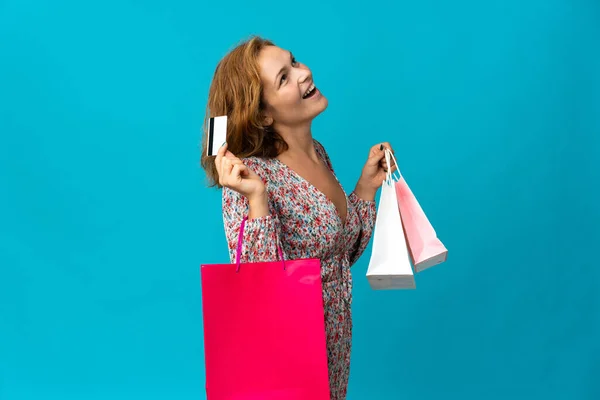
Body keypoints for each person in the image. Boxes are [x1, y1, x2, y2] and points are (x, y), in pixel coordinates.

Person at [200, 36, 396, 400]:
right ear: (262, 113)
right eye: (284, 78)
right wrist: (257, 199)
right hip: (288, 358)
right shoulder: (251, 178)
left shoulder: (317, 153)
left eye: (295, 62)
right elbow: (262, 294)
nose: (304, 73)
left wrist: (366, 187)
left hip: (333, 347)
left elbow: (338, 255)